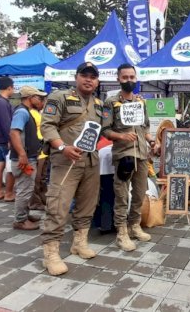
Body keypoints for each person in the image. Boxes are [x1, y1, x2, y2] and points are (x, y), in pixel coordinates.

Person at [40, 62, 104, 275]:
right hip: (65, 161)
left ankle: (79, 242)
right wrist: (62, 146)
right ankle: (51, 253)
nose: (88, 79)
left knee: (87, 204)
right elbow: (47, 125)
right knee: (58, 204)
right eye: (84, 75)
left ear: (97, 81)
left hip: (91, 161)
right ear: (76, 77)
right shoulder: (60, 97)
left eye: (93, 77)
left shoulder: (99, 103)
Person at [101, 63, 156, 252]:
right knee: (122, 195)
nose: (129, 80)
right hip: (123, 154)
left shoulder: (140, 102)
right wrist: (121, 136)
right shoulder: (111, 102)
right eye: (125, 77)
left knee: (140, 193)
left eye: (132, 77)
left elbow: (145, 127)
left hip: (141, 154)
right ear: (118, 78)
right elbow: (105, 130)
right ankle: (121, 232)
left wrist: (151, 140)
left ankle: (134, 225)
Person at [8, 86, 47, 230]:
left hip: (27, 157)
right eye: (39, 97)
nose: (41, 100)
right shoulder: (22, 112)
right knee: (25, 190)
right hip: (24, 159)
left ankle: (25, 214)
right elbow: (14, 133)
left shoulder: (25, 112)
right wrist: (22, 154)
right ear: (31, 98)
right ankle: (20, 220)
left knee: (26, 189)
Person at [0, 77, 15, 201]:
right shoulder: (2, 103)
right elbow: (6, 124)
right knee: (9, 167)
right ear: (9, 87)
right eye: (13, 88)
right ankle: (8, 193)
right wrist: (11, 139)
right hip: (4, 140)